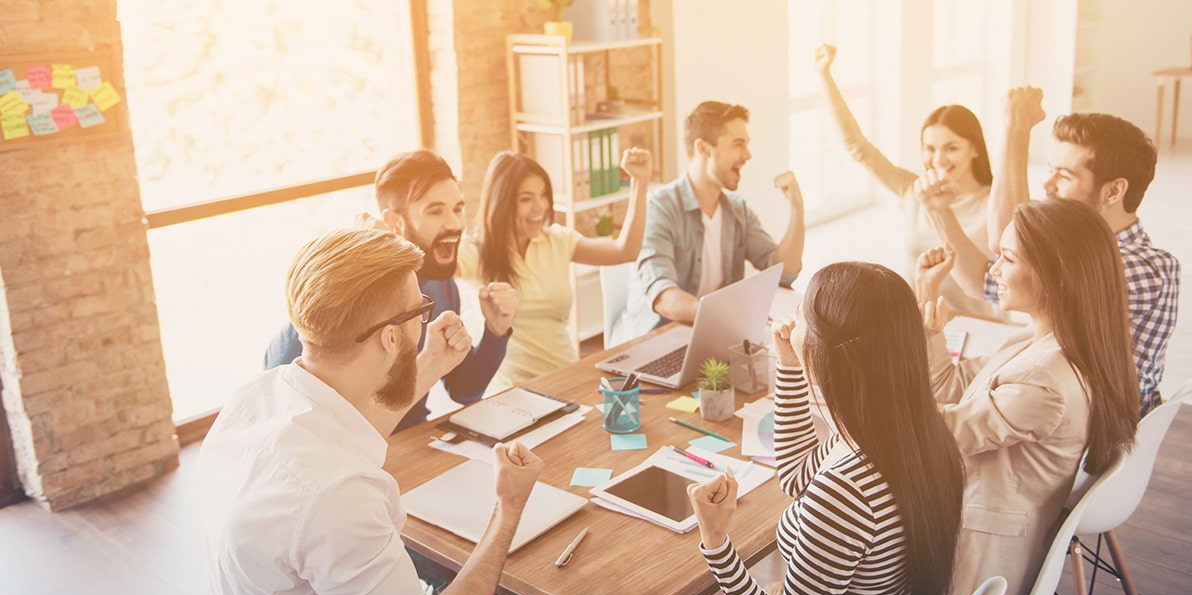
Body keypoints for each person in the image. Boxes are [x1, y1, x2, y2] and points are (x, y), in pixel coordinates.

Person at [201, 229, 544, 595]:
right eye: (421, 310)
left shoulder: (255, 399)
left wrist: (432, 363)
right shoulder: (338, 497)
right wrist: (508, 508)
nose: (424, 321)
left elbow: (348, 435)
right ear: (392, 336)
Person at [678, 262, 965, 595]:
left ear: (825, 351)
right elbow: (797, 478)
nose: (791, 323)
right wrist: (791, 366)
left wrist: (717, 542)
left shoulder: (844, 492)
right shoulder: (911, 435)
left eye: (800, 314)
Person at [917, 199, 1140, 595]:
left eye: (1007, 258)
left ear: (1054, 275)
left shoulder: (1045, 380)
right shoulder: (1046, 344)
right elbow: (954, 389)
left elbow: (936, 435)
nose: (993, 270)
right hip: (988, 560)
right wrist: (929, 309)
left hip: (972, 585)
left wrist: (855, 386)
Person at [921, 88, 1180, 416]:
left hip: (1091, 438)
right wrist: (940, 211)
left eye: (1065, 175)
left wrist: (1016, 128)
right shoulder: (1077, 252)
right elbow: (983, 280)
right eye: (1051, 170)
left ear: (1114, 190)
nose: (1048, 186)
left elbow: (1007, 239)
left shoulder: (1137, 267)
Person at [264, 150, 520, 431]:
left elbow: (463, 390)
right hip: (342, 449)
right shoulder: (352, 292)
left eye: (458, 209)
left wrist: (495, 333)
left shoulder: (441, 283)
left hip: (411, 437)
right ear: (395, 222)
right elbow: (280, 381)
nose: (456, 224)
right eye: (435, 211)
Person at [814, 43, 998, 318]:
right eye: (930, 148)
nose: (938, 159)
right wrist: (824, 75)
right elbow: (858, 147)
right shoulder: (915, 190)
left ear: (975, 149)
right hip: (917, 322)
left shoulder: (994, 203)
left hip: (978, 327)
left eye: (951, 148)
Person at [458, 147, 652, 394]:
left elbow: (626, 250)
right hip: (512, 392)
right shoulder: (475, 251)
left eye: (543, 195)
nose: (540, 207)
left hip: (568, 378)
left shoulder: (557, 240)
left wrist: (640, 183)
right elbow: (426, 264)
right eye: (526, 199)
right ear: (501, 203)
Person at [611, 100, 806, 345]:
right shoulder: (659, 208)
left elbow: (783, 273)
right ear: (703, 149)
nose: (747, 155)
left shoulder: (736, 210)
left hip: (712, 336)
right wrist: (726, 316)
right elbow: (663, 297)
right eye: (738, 144)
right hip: (656, 340)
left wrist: (797, 209)